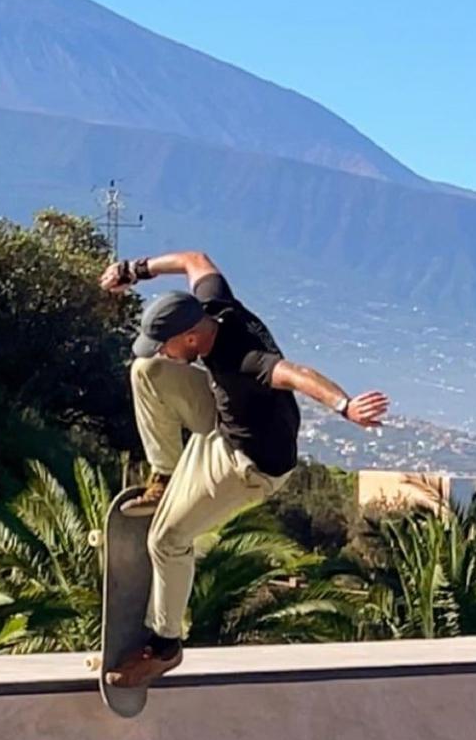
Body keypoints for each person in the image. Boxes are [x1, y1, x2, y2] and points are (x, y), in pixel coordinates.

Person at [99, 249, 389, 687]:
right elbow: (195, 258)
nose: (168, 352)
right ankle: (165, 474)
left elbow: (295, 374)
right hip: (224, 417)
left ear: (191, 339)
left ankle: (165, 647)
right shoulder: (214, 304)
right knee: (147, 370)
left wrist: (345, 406)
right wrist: (132, 271)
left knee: (168, 538)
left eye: (169, 345)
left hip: (247, 464)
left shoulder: (246, 360)